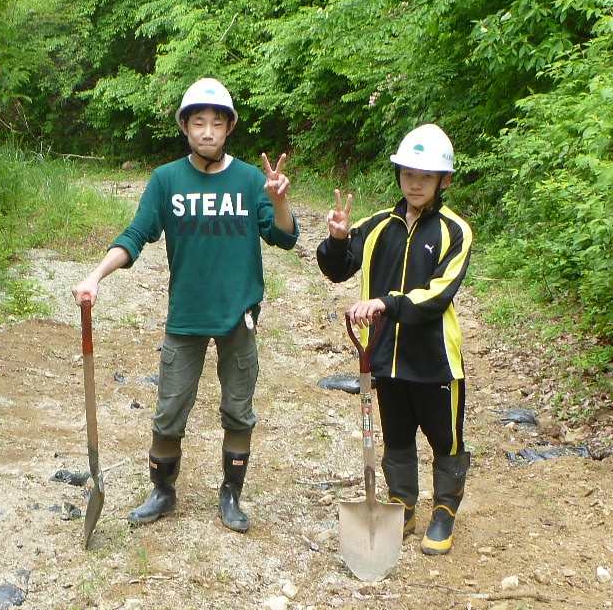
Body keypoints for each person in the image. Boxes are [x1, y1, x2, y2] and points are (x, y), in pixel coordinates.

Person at [72, 78, 298, 533]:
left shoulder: (251, 179)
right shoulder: (167, 180)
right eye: (199, 122)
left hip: (239, 315)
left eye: (217, 122)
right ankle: (163, 492)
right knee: (169, 409)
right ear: (185, 127)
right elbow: (135, 235)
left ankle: (231, 494)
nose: (208, 131)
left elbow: (285, 237)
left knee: (238, 409)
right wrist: (95, 275)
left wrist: (278, 199)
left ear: (229, 128)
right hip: (186, 316)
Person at [317, 124, 473, 554]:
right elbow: (337, 268)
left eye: (425, 176)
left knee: (447, 439)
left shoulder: (454, 231)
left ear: (445, 180)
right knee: (397, 435)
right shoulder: (376, 226)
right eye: (407, 174)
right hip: (383, 356)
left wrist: (386, 303)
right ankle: (402, 502)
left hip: (437, 359)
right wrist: (335, 240)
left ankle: (445, 510)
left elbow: (437, 295)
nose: (415, 183)